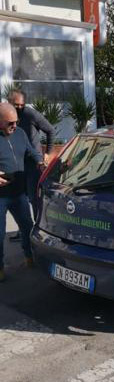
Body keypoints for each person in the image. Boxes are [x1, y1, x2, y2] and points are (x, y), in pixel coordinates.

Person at [0, 103, 44, 281]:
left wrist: (40, 160)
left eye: (16, 122)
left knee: (27, 226)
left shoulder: (20, 133)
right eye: (10, 123)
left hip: (19, 193)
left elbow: (30, 151)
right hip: (0, 196)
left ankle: (29, 256)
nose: (14, 126)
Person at [8, 89, 55, 223]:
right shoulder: (6, 115)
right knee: (18, 197)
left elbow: (50, 130)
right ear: (9, 102)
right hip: (16, 163)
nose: (20, 108)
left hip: (33, 163)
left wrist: (48, 153)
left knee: (34, 197)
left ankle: (38, 227)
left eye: (22, 105)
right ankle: (24, 229)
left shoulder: (30, 114)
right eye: (16, 105)